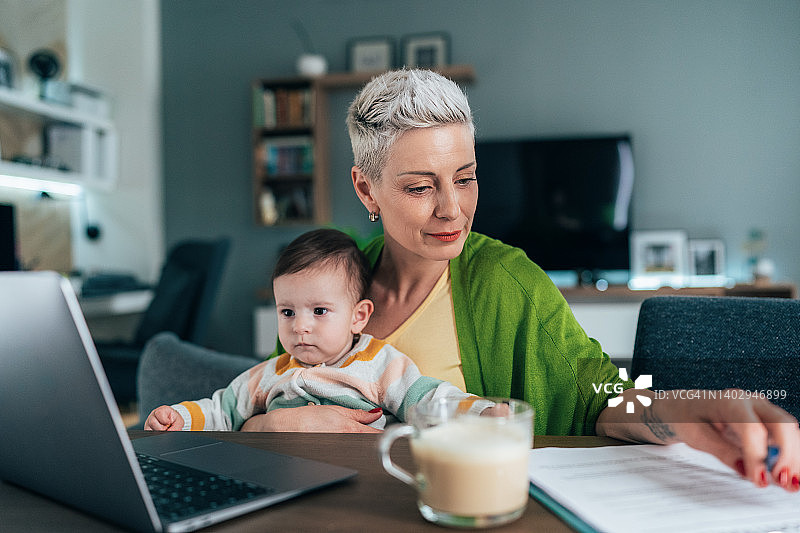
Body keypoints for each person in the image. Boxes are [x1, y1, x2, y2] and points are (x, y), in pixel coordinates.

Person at [239, 68, 800, 492]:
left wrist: (682, 408)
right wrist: (266, 432)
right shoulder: (326, 284)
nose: (452, 210)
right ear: (366, 191)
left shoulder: (507, 279)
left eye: (465, 178)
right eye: (419, 187)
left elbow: (595, 395)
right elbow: (262, 399)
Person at [144, 228, 497, 431]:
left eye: (319, 311)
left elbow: (428, 399)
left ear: (359, 316)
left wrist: (481, 412)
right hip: (281, 481)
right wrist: (180, 417)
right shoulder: (271, 373)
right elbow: (222, 410)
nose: (300, 326)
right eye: (287, 311)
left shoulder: (379, 363)